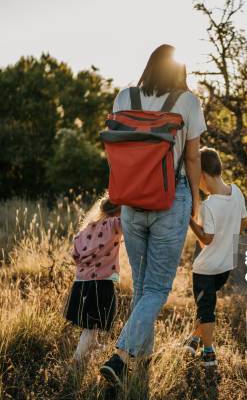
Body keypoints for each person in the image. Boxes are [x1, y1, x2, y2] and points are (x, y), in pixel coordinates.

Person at [100, 44, 206, 385]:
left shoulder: (124, 97)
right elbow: (192, 158)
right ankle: (120, 358)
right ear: (179, 70)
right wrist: (196, 201)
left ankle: (141, 363)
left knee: (144, 286)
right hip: (170, 200)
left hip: (131, 201)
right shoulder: (186, 102)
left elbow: (119, 152)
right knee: (158, 289)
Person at [183, 147, 247, 368]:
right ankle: (194, 338)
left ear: (202, 175)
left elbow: (206, 239)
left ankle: (209, 352)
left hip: (206, 269)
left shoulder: (209, 205)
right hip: (225, 267)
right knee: (206, 303)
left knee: (206, 308)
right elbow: (243, 222)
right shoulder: (236, 191)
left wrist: (189, 221)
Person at [63, 194, 122, 366]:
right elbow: (130, 223)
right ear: (118, 211)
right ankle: (77, 358)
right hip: (101, 281)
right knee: (91, 325)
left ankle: (93, 345)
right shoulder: (114, 224)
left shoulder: (86, 228)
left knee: (91, 319)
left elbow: (74, 255)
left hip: (80, 282)